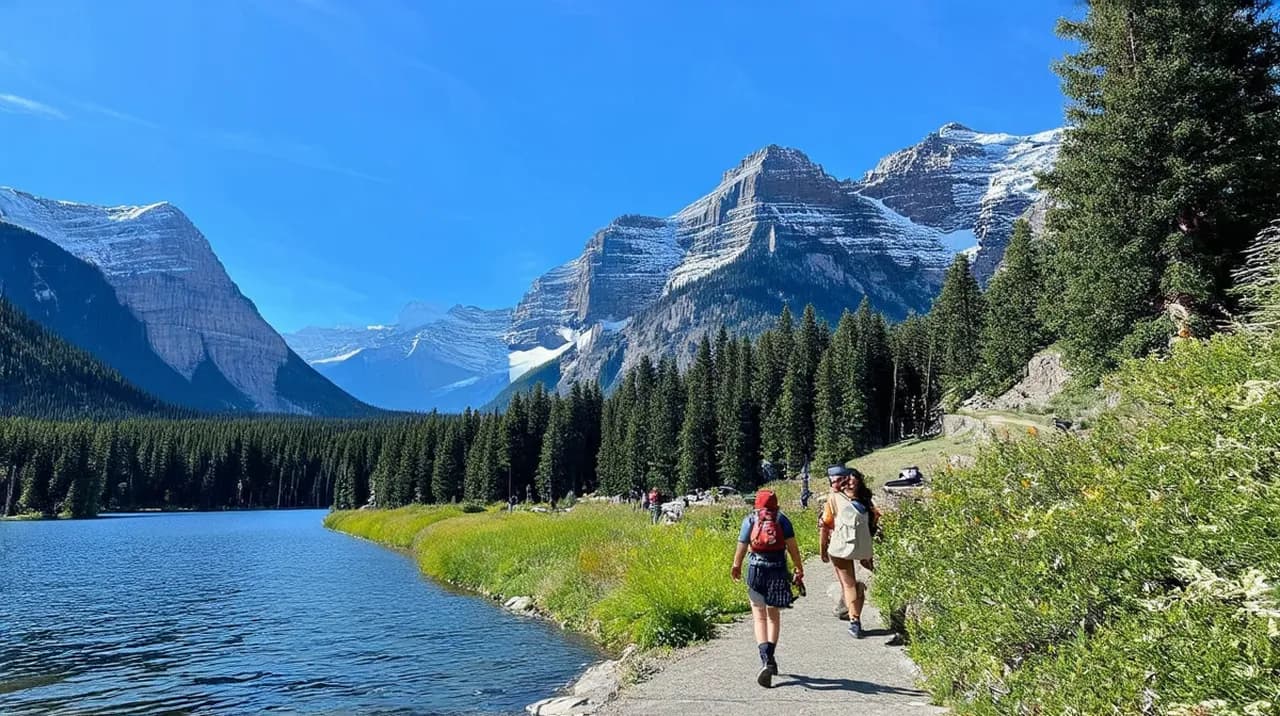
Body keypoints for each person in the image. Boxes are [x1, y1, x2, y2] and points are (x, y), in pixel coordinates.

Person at [731, 489, 804, 688]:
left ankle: (765, 659)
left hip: (756, 570)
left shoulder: (750, 520)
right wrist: (798, 567)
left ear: (757, 504)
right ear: (776, 503)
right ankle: (770, 657)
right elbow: (792, 547)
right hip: (778, 570)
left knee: (759, 616)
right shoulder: (783, 520)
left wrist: (736, 565)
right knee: (773, 616)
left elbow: (742, 544)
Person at [819, 466, 879, 638]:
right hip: (862, 547)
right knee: (852, 584)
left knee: (848, 584)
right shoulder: (866, 500)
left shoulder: (834, 498)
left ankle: (854, 621)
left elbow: (825, 525)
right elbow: (874, 521)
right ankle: (852, 613)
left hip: (840, 547)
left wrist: (822, 550)